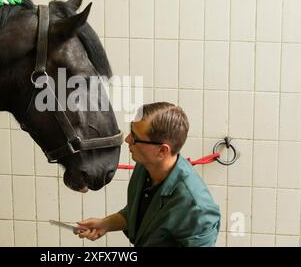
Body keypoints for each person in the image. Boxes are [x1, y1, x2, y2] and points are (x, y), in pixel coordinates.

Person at [77, 102, 221, 247]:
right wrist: (105, 224)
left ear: (162, 151)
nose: (127, 140)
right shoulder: (145, 166)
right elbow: (141, 215)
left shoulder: (197, 209)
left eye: (135, 137)